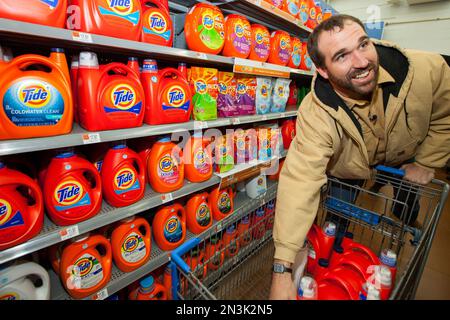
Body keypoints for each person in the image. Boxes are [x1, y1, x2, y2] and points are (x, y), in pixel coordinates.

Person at [269, 14, 450, 300]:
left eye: (363, 44)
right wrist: (282, 269)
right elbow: (301, 179)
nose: (362, 62)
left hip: (403, 158)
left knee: (407, 199)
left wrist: (428, 161)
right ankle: (333, 261)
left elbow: (445, 114)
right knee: (338, 215)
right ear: (323, 70)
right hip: (348, 168)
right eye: (341, 56)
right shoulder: (316, 113)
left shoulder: (428, 70)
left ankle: (405, 217)